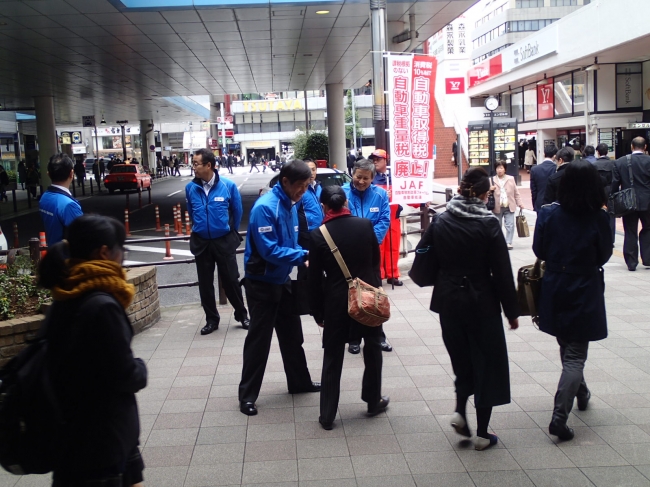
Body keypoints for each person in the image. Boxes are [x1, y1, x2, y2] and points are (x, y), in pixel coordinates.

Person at [39, 215, 147, 486]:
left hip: (73, 436)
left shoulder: (65, 295)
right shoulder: (102, 306)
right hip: (100, 441)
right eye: (121, 249)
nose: (123, 257)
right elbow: (124, 374)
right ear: (104, 252)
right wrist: (140, 368)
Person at [418, 167, 519, 451]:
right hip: (481, 302)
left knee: (461, 361)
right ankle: (483, 434)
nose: (490, 198)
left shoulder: (442, 219)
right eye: (489, 193)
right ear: (481, 194)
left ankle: (460, 410)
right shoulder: (488, 224)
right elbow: (501, 271)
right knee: (486, 363)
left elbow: (426, 256)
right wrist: (512, 311)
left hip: (448, 300)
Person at [533, 161, 612, 440]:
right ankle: (559, 417)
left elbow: (538, 249)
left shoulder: (549, 214)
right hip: (585, 285)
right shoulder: (599, 217)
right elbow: (603, 254)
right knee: (576, 354)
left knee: (567, 344)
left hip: (555, 284)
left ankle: (581, 390)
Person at [239, 160, 320, 416]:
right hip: (261, 283)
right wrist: (303, 255)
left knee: (293, 336)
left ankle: (299, 382)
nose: (303, 192)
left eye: (307, 186)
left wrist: (303, 254)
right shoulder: (265, 208)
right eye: (300, 186)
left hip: (283, 280)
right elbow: (269, 250)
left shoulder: (292, 205)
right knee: (258, 342)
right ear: (285, 181)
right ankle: (247, 397)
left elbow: (291, 242)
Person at [309, 185, 388, 430]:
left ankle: (327, 414)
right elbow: (375, 263)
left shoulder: (318, 234)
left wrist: (317, 311)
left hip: (335, 301)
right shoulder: (365, 226)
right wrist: (375, 294)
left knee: (333, 355)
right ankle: (373, 401)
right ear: (346, 203)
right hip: (365, 299)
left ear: (323, 206)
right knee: (372, 347)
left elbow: (314, 279)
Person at [186, 148, 249, 334]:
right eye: (193, 164)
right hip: (202, 242)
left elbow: (237, 212)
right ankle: (212, 320)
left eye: (196, 164)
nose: (194, 167)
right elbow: (191, 211)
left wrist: (229, 231)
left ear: (209, 165)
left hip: (223, 241)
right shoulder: (191, 188)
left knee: (231, 280)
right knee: (205, 284)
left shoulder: (228, 186)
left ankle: (242, 315)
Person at [343, 159, 393, 354]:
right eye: (358, 177)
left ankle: (378, 335)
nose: (361, 181)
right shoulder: (343, 193)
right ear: (352, 174)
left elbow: (384, 220)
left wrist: (371, 241)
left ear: (372, 178)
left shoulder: (380, 195)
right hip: (348, 252)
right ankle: (353, 338)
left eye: (366, 178)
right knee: (353, 294)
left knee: (374, 293)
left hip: (371, 253)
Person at [611, 136, 650, 271]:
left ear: (631, 147)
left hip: (628, 201)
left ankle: (632, 263)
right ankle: (648, 258)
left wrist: (612, 199)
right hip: (648, 201)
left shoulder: (620, 162)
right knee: (648, 229)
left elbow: (615, 184)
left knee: (630, 231)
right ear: (645, 147)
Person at [370, 149, 403, 285]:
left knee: (393, 247)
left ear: (386, 160)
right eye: (374, 159)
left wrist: (422, 201)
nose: (375, 161)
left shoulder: (395, 177)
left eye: (378, 159)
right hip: (378, 219)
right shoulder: (370, 178)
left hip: (393, 217)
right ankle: (379, 275)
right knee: (378, 247)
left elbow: (407, 193)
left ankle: (392, 274)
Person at [39, 153, 83, 246]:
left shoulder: (44, 197)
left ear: (48, 174)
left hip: (54, 253)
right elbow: (83, 237)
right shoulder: (68, 205)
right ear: (71, 173)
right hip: (67, 257)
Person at [490, 160, 523, 250]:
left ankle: (508, 242)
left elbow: (516, 192)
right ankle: (498, 242)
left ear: (505, 169)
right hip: (497, 206)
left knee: (510, 224)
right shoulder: (492, 180)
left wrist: (520, 203)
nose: (499, 170)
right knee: (498, 225)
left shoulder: (510, 178)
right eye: (497, 168)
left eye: (501, 168)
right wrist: (490, 190)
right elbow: (486, 194)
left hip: (509, 205)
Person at [594, 143, 616, 244]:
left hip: (597, 191)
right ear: (607, 152)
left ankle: (598, 238)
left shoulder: (594, 165)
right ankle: (611, 240)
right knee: (611, 215)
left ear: (598, 152)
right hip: (611, 190)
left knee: (596, 214)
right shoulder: (614, 164)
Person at [530, 144, 557, 212]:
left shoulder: (534, 169)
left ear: (543, 154)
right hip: (554, 203)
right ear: (555, 156)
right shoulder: (557, 169)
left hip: (539, 203)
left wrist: (534, 204)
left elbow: (533, 190)